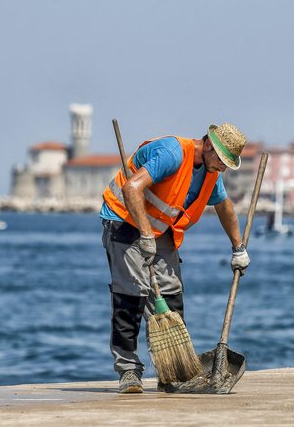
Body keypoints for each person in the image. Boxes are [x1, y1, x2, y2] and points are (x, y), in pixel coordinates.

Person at [100, 122, 251, 393]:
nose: (223, 168)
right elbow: (132, 188)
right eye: (221, 160)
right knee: (131, 295)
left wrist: (238, 248)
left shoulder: (210, 171)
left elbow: (224, 206)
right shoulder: (173, 153)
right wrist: (146, 235)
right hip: (124, 220)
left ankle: (170, 372)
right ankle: (128, 371)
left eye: (228, 163)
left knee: (171, 295)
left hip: (159, 229)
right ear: (207, 144)